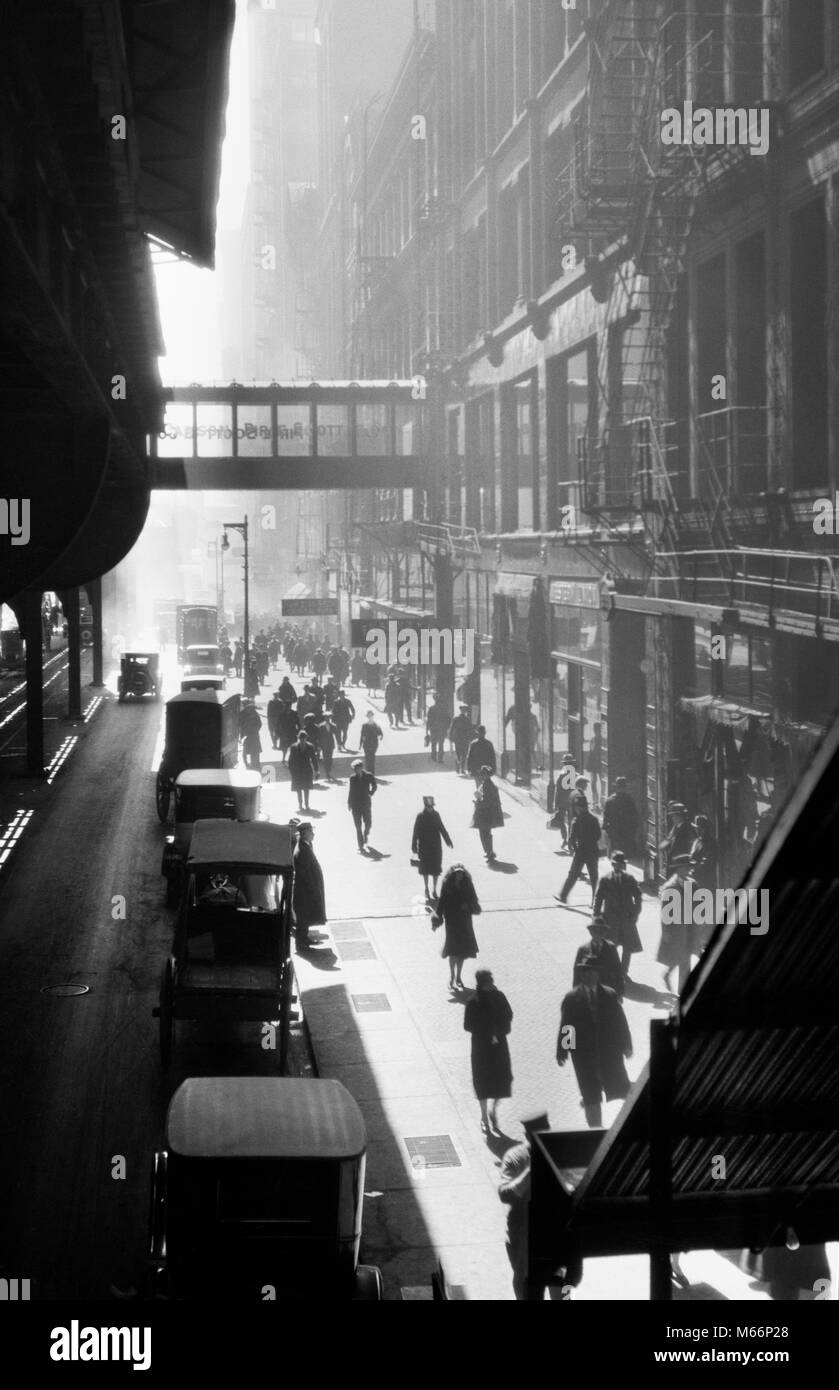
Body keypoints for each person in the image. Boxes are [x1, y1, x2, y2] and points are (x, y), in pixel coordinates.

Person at [557, 960, 633, 1128]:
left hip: (609, 1054)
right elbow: (567, 1026)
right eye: (586, 973)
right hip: (584, 1057)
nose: (590, 976)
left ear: (598, 975)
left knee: (621, 1088)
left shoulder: (610, 995)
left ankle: (630, 1125)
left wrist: (627, 1045)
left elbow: (621, 1022)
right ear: (582, 975)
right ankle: (595, 1131)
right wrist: (563, 1051)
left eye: (593, 972)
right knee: (590, 1096)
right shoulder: (571, 999)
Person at [498, 1113, 551, 1301]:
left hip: (554, 1231)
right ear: (527, 1137)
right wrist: (530, 1170)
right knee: (526, 1284)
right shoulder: (515, 1158)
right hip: (523, 1233)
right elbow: (505, 1194)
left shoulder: (561, 1152)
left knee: (562, 1282)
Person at [463, 969, 513, 1136]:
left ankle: (493, 1110)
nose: (490, 985)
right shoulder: (474, 1002)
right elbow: (468, 1025)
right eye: (487, 983)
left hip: (499, 1044)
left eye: (491, 982)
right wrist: (486, 1031)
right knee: (482, 1080)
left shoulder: (499, 997)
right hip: (481, 1047)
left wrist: (498, 1030)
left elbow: (509, 1014)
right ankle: (484, 1117)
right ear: (481, 984)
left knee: (504, 1078)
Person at [592, 851, 643, 981]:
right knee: (611, 946)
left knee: (627, 947)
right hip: (610, 920)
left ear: (624, 865)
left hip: (626, 920)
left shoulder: (630, 879)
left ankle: (624, 972)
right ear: (612, 864)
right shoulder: (605, 880)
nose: (619, 867)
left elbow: (638, 897)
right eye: (616, 864)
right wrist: (596, 916)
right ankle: (614, 971)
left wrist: (635, 914)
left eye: (621, 864)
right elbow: (598, 899)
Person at [433, 863, 480, 992]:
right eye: (457, 873)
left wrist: (468, 906)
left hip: (464, 920)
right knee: (453, 949)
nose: (459, 875)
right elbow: (442, 901)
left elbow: (474, 900)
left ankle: (458, 976)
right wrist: (438, 917)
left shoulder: (467, 884)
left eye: (461, 873)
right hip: (452, 920)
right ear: (453, 873)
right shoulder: (447, 884)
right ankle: (452, 975)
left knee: (462, 952)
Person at [657, 853, 696, 994]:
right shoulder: (670, 887)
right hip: (676, 929)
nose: (689, 870)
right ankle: (683, 991)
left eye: (689, 867)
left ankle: (671, 977)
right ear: (678, 869)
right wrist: (666, 931)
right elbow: (665, 913)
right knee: (682, 958)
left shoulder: (692, 884)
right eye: (686, 867)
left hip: (690, 927)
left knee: (684, 957)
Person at [555, 800, 602, 905]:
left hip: (581, 851)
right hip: (593, 850)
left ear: (579, 808)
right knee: (594, 877)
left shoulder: (577, 820)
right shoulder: (594, 819)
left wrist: (575, 849)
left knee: (573, 875)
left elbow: (572, 839)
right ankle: (595, 901)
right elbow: (598, 835)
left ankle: (563, 895)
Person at [291, 821, 326, 951]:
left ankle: (304, 940)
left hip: (305, 890)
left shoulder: (305, 845)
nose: (313, 834)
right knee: (303, 917)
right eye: (311, 832)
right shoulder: (302, 850)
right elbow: (305, 874)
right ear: (305, 833)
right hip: (305, 891)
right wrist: (314, 890)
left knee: (304, 917)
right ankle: (302, 944)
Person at [411, 795, 453, 900]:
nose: (430, 808)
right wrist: (414, 847)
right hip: (424, 846)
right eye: (428, 806)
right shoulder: (420, 816)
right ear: (425, 806)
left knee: (436, 869)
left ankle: (434, 889)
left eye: (432, 806)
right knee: (425, 869)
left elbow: (442, 828)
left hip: (436, 846)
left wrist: (448, 840)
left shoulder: (436, 815)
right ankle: (426, 888)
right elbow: (415, 832)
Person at [573, 917, 624, 999]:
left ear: (605, 933)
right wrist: (576, 993)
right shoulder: (583, 949)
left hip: (607, 991)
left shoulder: (611, 948)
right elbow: (577, 973)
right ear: (590, 932)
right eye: (595, 931)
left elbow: (618, 970)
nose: (598, 934)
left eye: (601, 931)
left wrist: (620, 992)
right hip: (588, 991)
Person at [471, 766, 504, 862]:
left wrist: (478, 800)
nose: (481, 775)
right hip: (489, 813)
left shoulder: (486, 785)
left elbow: (486, 800)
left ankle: (488, 851)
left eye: (482, 774)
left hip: (485, 813)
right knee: (487, 832)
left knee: (484, 833)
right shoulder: (489, 784)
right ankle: (489, 851)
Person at [602, 777, 640, 857]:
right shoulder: (629, 800)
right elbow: (635, 817)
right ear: (625, 788)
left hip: (615, 834)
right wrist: (633, 831)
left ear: (616, 788)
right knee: (624, 855)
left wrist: (608, 830)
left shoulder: (610, 800)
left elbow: (605, 819)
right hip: (626, 834)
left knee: (615, 855)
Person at [548, 753, 578, 848]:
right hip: (572, 802)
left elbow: (558, 791)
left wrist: (555, 804)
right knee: (571, 822)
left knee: (561, 821)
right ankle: (570, 840)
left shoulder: (561, 776)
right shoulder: (576, 775)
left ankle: (565, 838)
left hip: (562, 803)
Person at [347, 759, 377, 852]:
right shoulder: (352, 778)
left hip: (365, 803)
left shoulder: (368, 775)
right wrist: (349, 803)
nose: (357, 770)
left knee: (368, 823)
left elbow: (374, 785)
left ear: (362, 768)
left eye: (358, 768)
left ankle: (366, 834)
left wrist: (371, 793)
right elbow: (351, 791)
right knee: (358, 825)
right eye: (355, 769)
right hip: (356, 804)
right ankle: (360, 844)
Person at [288, 729, 318, 813]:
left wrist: (316, 770)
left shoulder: (310, 747)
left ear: (306, 738)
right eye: (301, 738)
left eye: (304, 738)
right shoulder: (293, 747)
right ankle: (300, 804)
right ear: (298, 738)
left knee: (306, 788)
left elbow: (314, 759)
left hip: (307, 770)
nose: (302, 740)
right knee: (298, 789)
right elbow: (290, 760)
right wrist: (292, 771)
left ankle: (307, 804)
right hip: (297, 771)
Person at [660, 803, 693, 875]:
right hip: (673, 865)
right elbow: (668, 841)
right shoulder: (675, 828)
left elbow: (689, 848)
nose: (672, 818)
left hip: (683, 865)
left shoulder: (688, 829)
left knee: (687, 884)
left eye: (673, 816)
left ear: (679, 816)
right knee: (674, 884)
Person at [690, 813, 717, 892]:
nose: (698, 830)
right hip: (694, 878)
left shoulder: (711, 843)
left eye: (701, 828)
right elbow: (691, 857)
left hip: (706, 879)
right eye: (696, 828)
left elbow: (708, 861)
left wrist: (694, 869)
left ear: (706, 829)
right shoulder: (696, 841)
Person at [448, 705, 474, 775]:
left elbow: (451, 729)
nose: (464, 711)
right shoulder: (467, 719)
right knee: (463, 754)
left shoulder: (456, 719)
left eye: (464, 710)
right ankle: (461, 769)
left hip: (458, 739)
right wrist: (471, 739)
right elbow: (470, 730)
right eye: (463, 710)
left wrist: (450, 738)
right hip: (464, 739)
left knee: (459, 753)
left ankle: (458, 768)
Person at [239, 701, 262, 773]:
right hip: (247, 735)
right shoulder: (243, 714)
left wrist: (254, 729)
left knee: (255, 752)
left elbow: (259, 724)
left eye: (251, 708)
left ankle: (256, 765)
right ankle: (247, 764)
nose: (251, 709)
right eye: (250, 708)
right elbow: (240, 724)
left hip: (253, 735)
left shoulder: (255, 714)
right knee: (245, 752)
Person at [425, 695, 449, 763]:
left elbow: (429, 720)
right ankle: (440, 758)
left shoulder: (431, 708)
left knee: (433, 742)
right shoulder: (444, 709)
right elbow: (448, 719)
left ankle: (433, 756)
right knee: (441, 743)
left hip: (433, 729)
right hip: (442, 729)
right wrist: (447, 727)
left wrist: (427, 730)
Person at [359, 710, 384, 775]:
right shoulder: (364, 725)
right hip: (366, 744)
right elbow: (362, 735)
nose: (370, 717)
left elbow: (381, 733)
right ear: (367, 717)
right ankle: (368, 772)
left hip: (374, 744)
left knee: (372, 757)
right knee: (367, 758)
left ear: (373, 716)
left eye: (371, 716)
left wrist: (380, 736)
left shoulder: (376, 725)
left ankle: (372, 773)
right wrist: (360, 744)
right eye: (369, 716)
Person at [315, 715, 338, 781]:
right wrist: (319, 745)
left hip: (330, 744)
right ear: (324, 718)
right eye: (326, 717)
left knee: (330, 758)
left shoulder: (333, 725)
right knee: (325, 758)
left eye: (328, 717)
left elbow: (336, 734)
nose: (327, 719)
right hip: (324, 744)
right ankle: (327, 772)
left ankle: (329, 770)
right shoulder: (321, 726)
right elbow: (319, 736)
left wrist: (338, 742)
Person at [586, 723, 604, 805]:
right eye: (595, 730)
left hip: (600, 764)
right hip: (593, 764)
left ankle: (602, 799)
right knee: (593, 783)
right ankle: (595, 800)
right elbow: (590, 752)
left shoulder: (602, 740)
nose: (596, 731)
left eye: (597, 730)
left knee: (602, 782)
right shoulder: (593, 739)